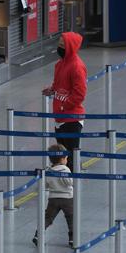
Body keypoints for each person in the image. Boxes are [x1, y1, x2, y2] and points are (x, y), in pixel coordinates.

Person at [42, 32, 87, 171]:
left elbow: (79, 94)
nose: (59, 47)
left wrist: (64, 106)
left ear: (70, 47)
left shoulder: (77, 66)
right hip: (60, 118)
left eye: (62, 45)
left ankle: (73, 188)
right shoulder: (59, 65)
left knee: (71, 159)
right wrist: (52, 90)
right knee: (61, 158)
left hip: (71, 119)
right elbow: (59, 84)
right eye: (59, 44)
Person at [32, 144, 75, 248]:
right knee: (71, 218)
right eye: (66, 158)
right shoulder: (65, 170)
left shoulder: (49, 171)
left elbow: (45, 185)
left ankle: (38, 235)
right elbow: (69, 183)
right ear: (62, 158)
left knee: (48, 217)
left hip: (53, 198)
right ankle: (72, 239)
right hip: (67, 199)